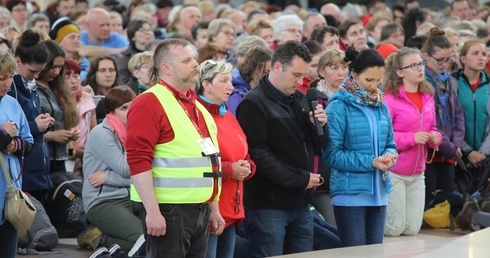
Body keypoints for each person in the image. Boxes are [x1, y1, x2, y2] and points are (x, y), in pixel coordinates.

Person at [126, 38, 224, 258]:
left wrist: (213, 208)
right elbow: (138, 159)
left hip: (199, 207)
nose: (195, 64)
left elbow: (210, 157)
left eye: (194, 59)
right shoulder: (149, 102)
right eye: (187, 60)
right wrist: (152, 211)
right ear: (166, 68)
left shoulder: (196, 104)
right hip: (168, 209)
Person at [236, 40, 327, 257]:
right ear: (277, 67)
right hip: (269, 205)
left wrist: (321, 126)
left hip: (301, 202)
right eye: (296, 74)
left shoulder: (301, 99)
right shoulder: (253, 103)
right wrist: (300, 178)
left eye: (303, 75)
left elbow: (316, 146)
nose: (300, 81)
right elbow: (258, 155)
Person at [322, 47, 398, 247]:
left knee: (374, 252)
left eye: (378, 80)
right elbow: (332, 155)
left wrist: (391, 154)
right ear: (353, 74)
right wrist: (371, 162)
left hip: (379, 191)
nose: (374, 86)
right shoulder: (338, 106)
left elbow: (390, 142)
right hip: (350, 194)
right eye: (368, 80)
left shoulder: (381, 104)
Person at [196, 60, 256, 258]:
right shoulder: (196, 116)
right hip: (210, 208)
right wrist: (231, 170)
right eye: (224, 81)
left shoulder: (227, 114)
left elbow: (244, 151)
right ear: (206, 84)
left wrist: (249, 166)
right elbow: (197, 161)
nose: (231, 86)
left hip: (231, 207)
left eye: (230, 81)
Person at [382, 47, 442, 237]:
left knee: (412, 229)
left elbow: (433, 128)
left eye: (420, 64)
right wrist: (412, 138)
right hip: (394, 171)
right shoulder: (390, 99)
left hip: (418, 172)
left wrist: (435, 138)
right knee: (394, 229)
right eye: (413, 65)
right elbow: (384, 136)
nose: (420, 68)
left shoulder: (428, 96)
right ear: (399, 72)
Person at [79, 85, 143, 253]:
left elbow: (147, 172)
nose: (130, 111)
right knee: (144, 240)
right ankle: (100, 238)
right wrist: (135, 136)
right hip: (104, 201)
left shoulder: (137, 130)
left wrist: (108, 177)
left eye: (133, 106)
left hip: (133, 196)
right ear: (111, 111)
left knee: (161, 234)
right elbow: (127, 169)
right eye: (123, 108)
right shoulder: (101, 133)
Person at [8, 29, 54, 204]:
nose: (36, 76)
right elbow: (8, 127)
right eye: (33, 71)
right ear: (18, 61)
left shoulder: (31, 85)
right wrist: (35, 126)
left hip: (39, 170)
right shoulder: (9, 88)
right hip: (21, 171)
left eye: (40, 72)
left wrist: (44, 122)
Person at [421, 28, 465, 208]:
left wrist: (457, 144)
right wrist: (449, 146)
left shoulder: (446, 80)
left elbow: (458, 114)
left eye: (448, 60)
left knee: (447, 201)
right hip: (430, 150)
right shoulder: (422, 81)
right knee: (430, 202)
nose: (444, 64)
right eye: (440, 60)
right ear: (426, 56)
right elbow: (427, 121)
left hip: (448, 151)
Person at [308, 48, 349, 226]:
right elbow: (314, 140)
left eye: (344, 67)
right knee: (333, 227)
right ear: (322, 71)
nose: (341, 73)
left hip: (346, 170)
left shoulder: (351, 97)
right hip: (323, 172)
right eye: (334, 68)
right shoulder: (313, 98)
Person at [0, 49, 34, 258]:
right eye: (2, 78)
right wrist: (4, 134)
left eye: (10, 77)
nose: (7, 83)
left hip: (10, 194)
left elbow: (29, 142)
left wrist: (15, 145)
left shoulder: (12, 103)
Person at [37, 40, 80, 173]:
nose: (56, 72)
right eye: (53, 67)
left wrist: (70, 133)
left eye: (60, 67)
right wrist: (52, 136)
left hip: (61, 157)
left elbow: (65, 118)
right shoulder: (32, 89)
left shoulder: (58, 88)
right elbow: (26, 130)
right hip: (41, 158)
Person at [452, 40, 490, 167]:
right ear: (463, 59)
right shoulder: (452, 83)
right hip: (458, 154)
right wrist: (467, 151)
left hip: (486, 157)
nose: (481, 57)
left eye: (484, 54)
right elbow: (449, 122)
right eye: (475, 53)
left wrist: (483, 153)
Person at [65, 58, 95, 178]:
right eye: (67, 77)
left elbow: (94, 131)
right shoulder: (54, 104)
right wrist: (73, 152)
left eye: (76, 76)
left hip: (86, 166)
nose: (74, 81)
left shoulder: (87, 99)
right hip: (63, 167)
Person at [227, 47, 272, 116]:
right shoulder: (237, 97)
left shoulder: (268, 92)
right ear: (253, 69)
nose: (269, 76)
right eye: (266, 72)